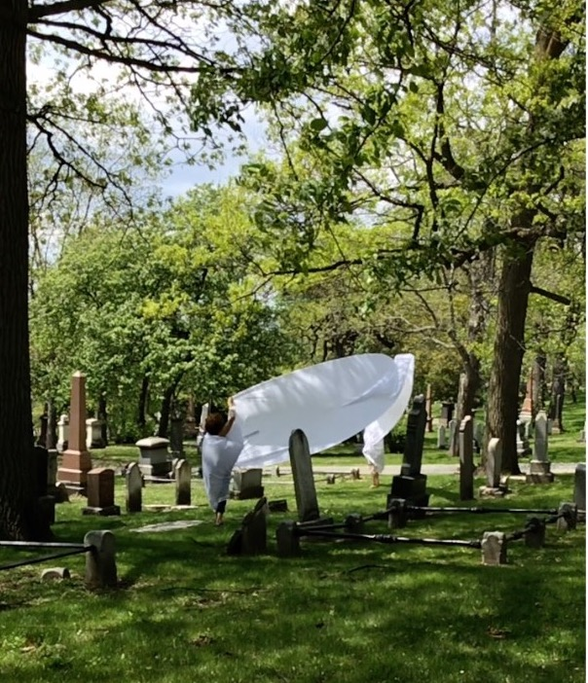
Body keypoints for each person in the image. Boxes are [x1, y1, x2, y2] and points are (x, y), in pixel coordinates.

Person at [200, 397, 243, 525]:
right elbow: (230, 423)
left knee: (217, 493)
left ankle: (218, 515)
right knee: (222, 491)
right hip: (220, 472)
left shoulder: (207, 439)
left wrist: (231, 413)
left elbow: (225, 429)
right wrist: (231, 406)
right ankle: (219, 516)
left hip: (211, 473)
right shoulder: (222, 444)